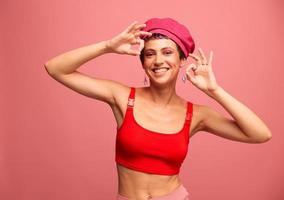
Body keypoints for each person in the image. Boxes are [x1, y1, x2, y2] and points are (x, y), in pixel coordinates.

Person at [44, 17, 272, 200]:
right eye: (150, 54)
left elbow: (260, 134)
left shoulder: (196, 115)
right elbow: (55, 69)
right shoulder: (123, 98)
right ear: (142, 61)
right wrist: (107, 47)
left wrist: (215, 90)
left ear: (182, 60)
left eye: (167, 52)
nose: (158, 60)